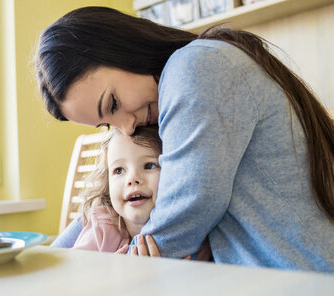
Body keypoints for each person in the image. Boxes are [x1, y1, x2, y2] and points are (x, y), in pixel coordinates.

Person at [38, 7, 334, 271]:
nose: (125, 128)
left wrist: (114, 276)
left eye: (113, 104)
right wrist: (45, 262)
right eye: (107, 124)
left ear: (121, 49)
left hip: (302, 285)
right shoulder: (180, 83)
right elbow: (100, 210)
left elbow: (190, 204)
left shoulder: (196, 67)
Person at [71, 126, 212, 260]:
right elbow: (73, 278)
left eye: (149, 166)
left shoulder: (192, 230)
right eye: (119, 170)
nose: (132, 179)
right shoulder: (101, 228)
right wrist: (110, 273)